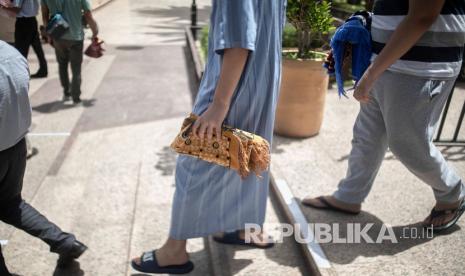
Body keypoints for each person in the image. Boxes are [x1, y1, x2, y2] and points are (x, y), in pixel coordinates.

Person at [131, 1, 287, 274]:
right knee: (246, 157)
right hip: (262, 80)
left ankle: (174, 251)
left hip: (235, 86)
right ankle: (242, 228)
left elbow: (238, 41)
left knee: (195, 164)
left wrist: (219, 105)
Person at [303, 0, 465, 232]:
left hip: (420, 67)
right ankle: (349, 196)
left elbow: (423, 16)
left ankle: (452, 193)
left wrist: (371, 74)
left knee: (408, 144)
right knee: (367, 136)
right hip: (386, 61)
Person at [0, 40, 87, 275]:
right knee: (10, 204)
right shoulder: (11, 54)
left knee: (10, 205)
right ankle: (64, 242)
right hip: (15, 147)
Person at [40, 0, 98, 104]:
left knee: (62, 64)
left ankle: (66, 93)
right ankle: (76, 97)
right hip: (76, 36)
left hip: (58, 34)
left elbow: (44, 15)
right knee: (76, 68)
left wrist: (48, 33)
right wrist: (95, 31)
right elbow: (88, 15)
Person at [1, 0, 48, 78]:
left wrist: (3, 7)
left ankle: (21, 74)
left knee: (20, 51)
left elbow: (17, 10)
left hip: (23, 23)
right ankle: (43, 70)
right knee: (37, 48)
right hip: (32, 20)